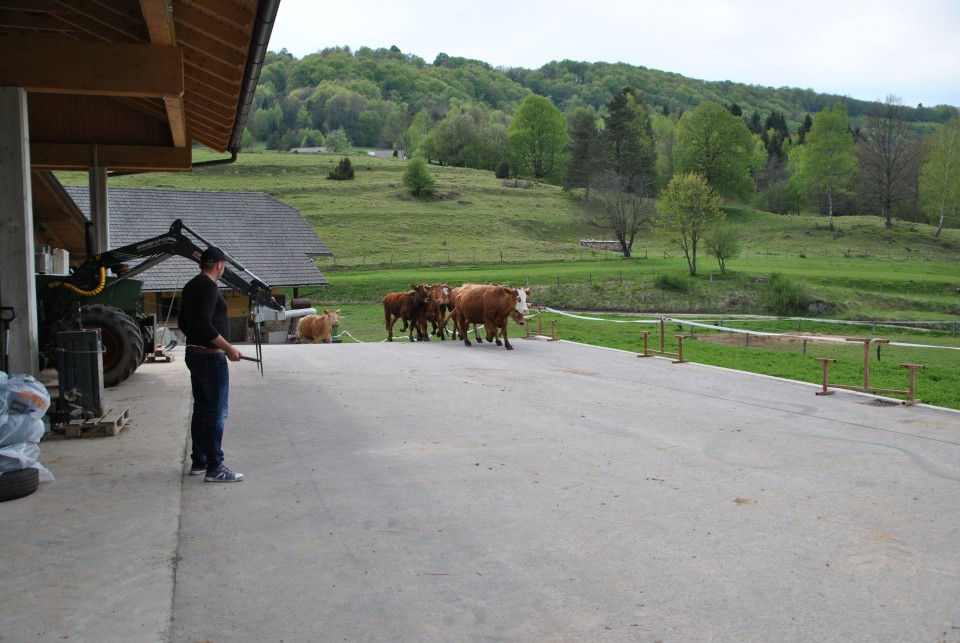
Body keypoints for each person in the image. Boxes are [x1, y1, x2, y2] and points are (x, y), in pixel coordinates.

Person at [177, 246, 244, 482]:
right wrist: (227, 349)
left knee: (202, 410)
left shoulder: (191, 285)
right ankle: (215, 467)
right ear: (219, 265)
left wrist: (199, 343)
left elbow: (185, 323)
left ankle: (199, 461)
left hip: (196, 354)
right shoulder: (208, 286)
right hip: (210, 358)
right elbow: (204, 325)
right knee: (216, 412)